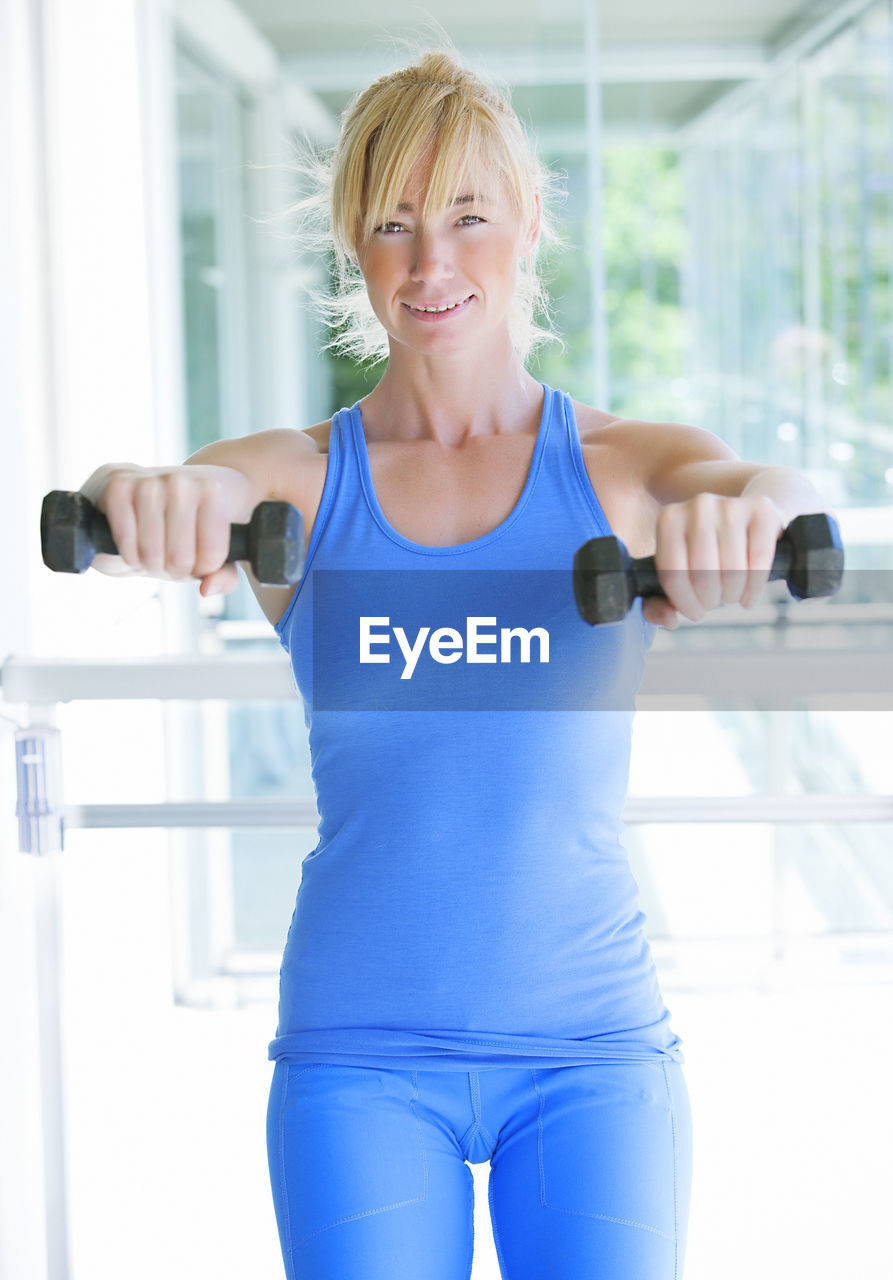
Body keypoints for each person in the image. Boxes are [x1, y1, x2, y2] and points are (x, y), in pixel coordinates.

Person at [81, 47, 832, 1280]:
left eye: (467, 217)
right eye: (393, 223)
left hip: (590, 1052)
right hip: (357, 1057)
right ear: (354, 246)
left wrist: (752, 518)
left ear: (527, 222)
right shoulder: (302, 481)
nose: (430, 263)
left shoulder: (625, 466)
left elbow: (773, 491)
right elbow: (143, 501)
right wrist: (141, 498)